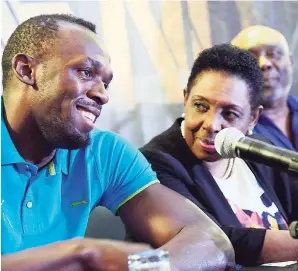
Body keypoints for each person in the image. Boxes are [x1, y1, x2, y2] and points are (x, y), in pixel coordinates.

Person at [1, 14, 235, 271]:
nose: (102, 94)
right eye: (85, 72)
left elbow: (211, 242)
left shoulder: (103, 151)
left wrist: (141, 266)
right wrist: (78, 254)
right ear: (26, 70)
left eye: (106, 83)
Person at [140, 43, 298, 266]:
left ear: (253, 118)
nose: (212, 124)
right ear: (185, 100)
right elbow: (214, 242)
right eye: (201, 106)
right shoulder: (154, 163)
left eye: (230, 114)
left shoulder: (259, 150)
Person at [232, 25, 298, 151]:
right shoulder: (231, 130)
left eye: (273, 54)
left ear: (290, 61)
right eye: (250, 58)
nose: (264, 64)